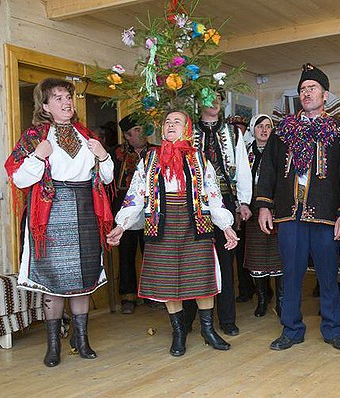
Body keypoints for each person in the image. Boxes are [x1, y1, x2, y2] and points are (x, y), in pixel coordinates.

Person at [107, 110, 239, 356]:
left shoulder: (199, 159)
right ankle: (178, 332)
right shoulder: (149, 159)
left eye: (176, 121)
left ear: (187, 129)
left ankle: (208, 330)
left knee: (202, 276)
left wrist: (226, 225)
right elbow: (136, 193)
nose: (171, 125)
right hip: (162, 223)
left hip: (195, 222)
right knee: (168, 280)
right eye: (167, 122)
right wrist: (121, 225)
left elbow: (212, 194)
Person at [5, 77, 114, 367]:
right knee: (55, 281)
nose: (67, 102)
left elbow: (107, 177)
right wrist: (38, 158)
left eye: (68, 97)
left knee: (83, 277)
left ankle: (82, 339)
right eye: (58, 98)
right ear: (44, 105)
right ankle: (53, 345)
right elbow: (19, 178)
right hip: (51, 214)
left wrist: (103, 156)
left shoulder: (86, 134)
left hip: (85, 211)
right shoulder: (34, 136)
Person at [256, 63, 340, 351]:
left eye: (312, 88)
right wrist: (264, 206)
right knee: (291, 274)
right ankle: (291, 329)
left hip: (325, 215)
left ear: (325, 95)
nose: (307, 93)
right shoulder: (283, 130)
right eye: (303, 89)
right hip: (290, 214)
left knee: (328, 274)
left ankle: (333, 329)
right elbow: (269, 170)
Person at [188, 92, 253, 337]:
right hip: (192, 203)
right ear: (199, 102)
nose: (214, 103)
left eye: (218, 98)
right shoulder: (188, 131)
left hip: (224, 200)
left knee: (226, 261)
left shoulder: (233, 132)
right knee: (194, 260)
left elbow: (243, 169)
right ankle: (188, 318)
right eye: (208, 98)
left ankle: (227, 319)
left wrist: (243, 203)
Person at [110, 115, 154, 314]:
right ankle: (128, 296)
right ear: (127, 135)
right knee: (126, 254)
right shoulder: (115, 154)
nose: (142, 133)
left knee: (151, 253)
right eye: (137, 129)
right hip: (124, 211)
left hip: (150, 210)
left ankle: (152, 293)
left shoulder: (156, 152)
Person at [244, 114, 283, 317]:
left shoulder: (279, 151)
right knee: (257, 255)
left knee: (278, 255)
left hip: (277, 208)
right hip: (253, 209)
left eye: (269, 126)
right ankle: (262, 298)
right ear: (253, 129)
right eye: (260, 126)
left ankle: (281, 300)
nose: (264, 130)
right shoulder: (245, 153)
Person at [228, 114, 257, 303]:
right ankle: (243, 289)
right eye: (235, 126)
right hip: (235, 204)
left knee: (248, 250)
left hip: (250, 206)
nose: (239, 129)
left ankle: (254, 289)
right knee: (235, 251)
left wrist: (243, 204)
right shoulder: (236, 147)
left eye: (242, 126)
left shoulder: (249, 146)